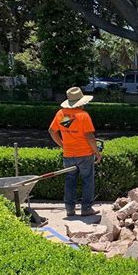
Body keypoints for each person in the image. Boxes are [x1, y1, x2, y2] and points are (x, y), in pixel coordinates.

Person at [48, 87, 102, 217]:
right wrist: (97, 153)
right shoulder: (83, 115)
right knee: (87, 181)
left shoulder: (62, 114)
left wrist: (62, 145)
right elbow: (90, 137)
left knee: (70, 181)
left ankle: (70, 209)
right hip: (84, 155)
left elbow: (52, 131)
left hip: (68, 155)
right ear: (81, 102)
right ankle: (86, 209)